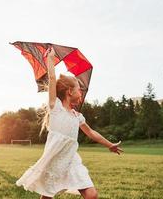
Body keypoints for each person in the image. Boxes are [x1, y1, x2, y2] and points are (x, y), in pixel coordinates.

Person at [16, 47, 123, 199]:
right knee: (47, 196)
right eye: (79, 89)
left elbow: (91, 132)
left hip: (72, 160)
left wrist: (109, 145)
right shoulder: (56, 108)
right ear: (69, 91)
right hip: (54, 160)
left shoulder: (78, 116)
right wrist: (50, 60)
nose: (82, 93)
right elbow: (52, 79)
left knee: (92, 195)